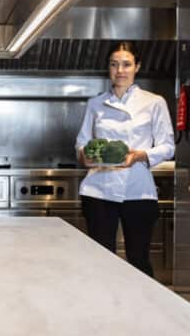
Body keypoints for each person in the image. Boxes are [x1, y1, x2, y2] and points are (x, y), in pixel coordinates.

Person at [75, 42, 175, 276]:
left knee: (139, 260)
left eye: (126, 64)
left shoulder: (154, 102)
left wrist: (140, 155)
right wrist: (85, 156)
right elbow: (81, 142)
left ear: (137, 67)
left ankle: (142, 300)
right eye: (114, 64)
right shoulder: (95, 103)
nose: (120, 70)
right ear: (108, 68)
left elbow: (168, 146)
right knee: (101, 262)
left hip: (138, 190)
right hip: (98, 190)